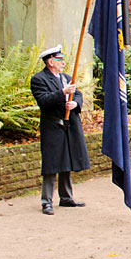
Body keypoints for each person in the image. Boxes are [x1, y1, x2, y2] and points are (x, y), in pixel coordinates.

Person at [30, 45, 89, 215]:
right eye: (59, 59)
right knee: (51, 164)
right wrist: (62, 92)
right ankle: (46, 201)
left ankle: (66, 197)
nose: (63, 62)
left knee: (67, 161)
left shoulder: (66, 77)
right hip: (53, 126)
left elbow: (78, 94)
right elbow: (43, 100)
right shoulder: (39, 79)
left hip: (69, 125)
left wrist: (75, 103)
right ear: (50, 62)